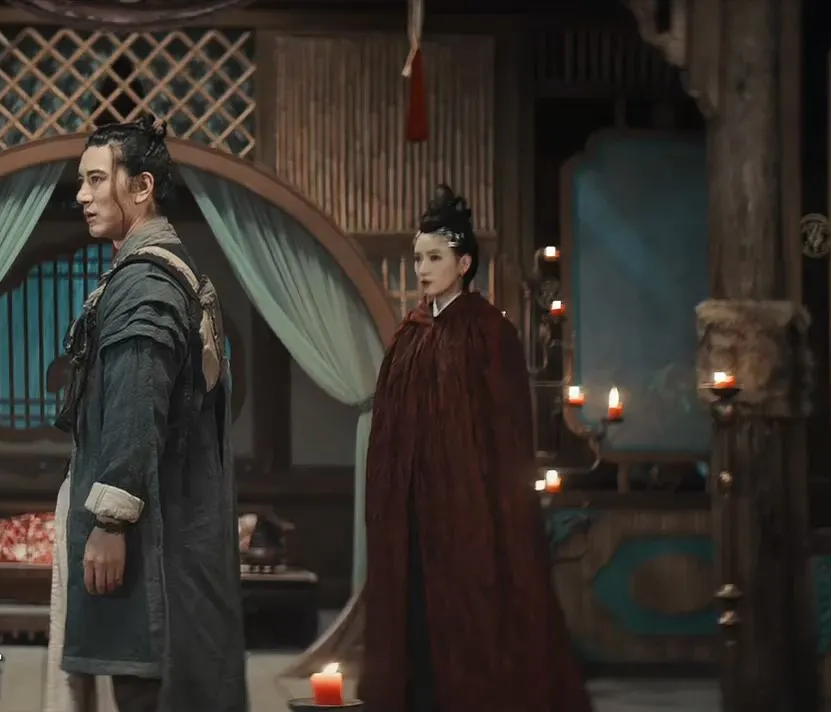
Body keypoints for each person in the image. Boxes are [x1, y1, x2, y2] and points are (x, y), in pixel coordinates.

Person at [296, 185, 592, 711]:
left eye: (435, 257)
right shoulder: (409, 335)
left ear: (464, 264)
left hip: (470, 510)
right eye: (418, 258)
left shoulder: (489, 334)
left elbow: (506, 434)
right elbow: (390, 428)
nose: (423, 269)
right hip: (411, 510)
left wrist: (485, 501)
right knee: (413, 619)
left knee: (467, 617)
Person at [41, 116, 247, 712]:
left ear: (141, 186)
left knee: (149, 687)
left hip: (151, 532)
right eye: (81, 181)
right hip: (175, 521)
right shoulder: (168, 270)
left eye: (96, 179)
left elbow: (136, 409)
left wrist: (110, 524)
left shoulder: (146, 283)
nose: (82, 195)